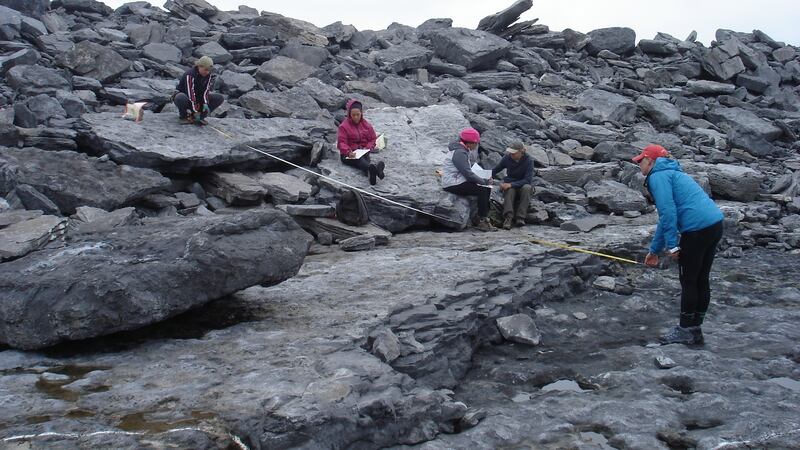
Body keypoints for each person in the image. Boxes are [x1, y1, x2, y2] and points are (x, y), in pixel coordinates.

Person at [634, 144, 724, 346]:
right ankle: (695, 329)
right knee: (701, 279)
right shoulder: (673, 172)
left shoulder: (658, 176)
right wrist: (654, 251)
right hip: (714, 224)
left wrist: (673, 246)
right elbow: (665, 219)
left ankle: (686, 330)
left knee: (689, 281)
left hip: (697, 230)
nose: (639, 164)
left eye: (641, 160)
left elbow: (667, 213)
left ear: (651, 161)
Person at [441, 128, 495, 232]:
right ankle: (482, 220)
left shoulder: (460, 149)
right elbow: (468, 174)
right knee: (483, 189)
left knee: (485, 188)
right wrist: (484, 181)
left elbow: (467, 171)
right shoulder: (460, 153)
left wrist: (484, 179)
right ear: (470, 143)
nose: (477, 145)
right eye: (476, 143)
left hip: (457, 180)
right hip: (453, 183)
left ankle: (480, 217)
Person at [337, 100, 385, 186]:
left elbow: (372, 138)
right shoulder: (343, 127)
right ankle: (376, 170)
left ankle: (372, 172)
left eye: (357, 114)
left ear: (361, 113)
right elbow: (341, 142)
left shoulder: (366, 125)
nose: (356, 117)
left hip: (362, 151)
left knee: (363, 159)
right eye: (353, 115)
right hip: (348, 155)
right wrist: (348, 152)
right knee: (359, 160)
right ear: (349, 115)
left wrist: (368, 147)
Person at [492, 141, 534, 230]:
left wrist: (511, 184)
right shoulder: (507, 158)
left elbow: (528, 180)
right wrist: (486, 176)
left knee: (527, 188)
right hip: (510, 184)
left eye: (514, 153)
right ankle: (508, 218)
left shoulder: (529, 160)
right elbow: (496, 169)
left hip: (522, 184)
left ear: (521, 152)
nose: (511, 154)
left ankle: (520, 218)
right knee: (509, 190)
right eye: (510, 152)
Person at [174, 56, 223, 125]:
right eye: (205, 69)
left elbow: (205, 92)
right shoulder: (190, 75)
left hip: (197, 99)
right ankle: (184, 116)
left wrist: (205, 104)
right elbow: (190, 94)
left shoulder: (208, 76)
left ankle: (200, 117)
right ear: (199, 66)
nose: (207, 72)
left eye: (209, 70)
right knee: (180, 97)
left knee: (219, 98)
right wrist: (195, 111)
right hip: (186, 98)